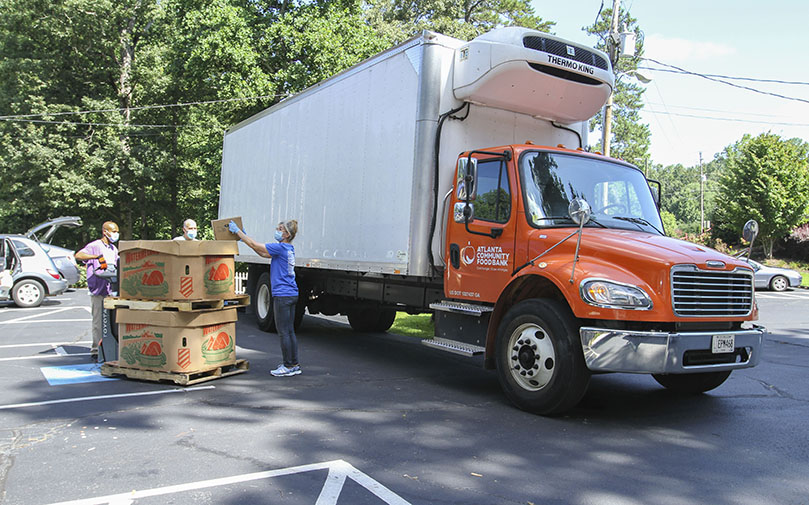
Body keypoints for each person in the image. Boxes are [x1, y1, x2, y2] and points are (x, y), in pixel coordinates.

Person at [228, 218, 301, 377]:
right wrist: (245, 239)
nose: (277, 230)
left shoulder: (280, 248)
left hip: (282, 295)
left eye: (280, 229)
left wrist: (238, 232)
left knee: (283, 332)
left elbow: (256, 245)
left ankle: (288, 366)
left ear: (286, 234)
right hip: (291, 293)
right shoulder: (288, 249)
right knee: (289, 331)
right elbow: (262, 252)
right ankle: (293, 364)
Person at [75, 221, 120, 361]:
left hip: (110, 288)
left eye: (117, 231)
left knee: (111, 321)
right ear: (105, 232)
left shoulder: (113, 248)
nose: (115, 234)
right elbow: (78, 255)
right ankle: (96, 349)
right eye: (113, 231)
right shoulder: (95, 246)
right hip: (98, 289)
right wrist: (96, 257)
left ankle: (110, 347)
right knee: (98, 321)